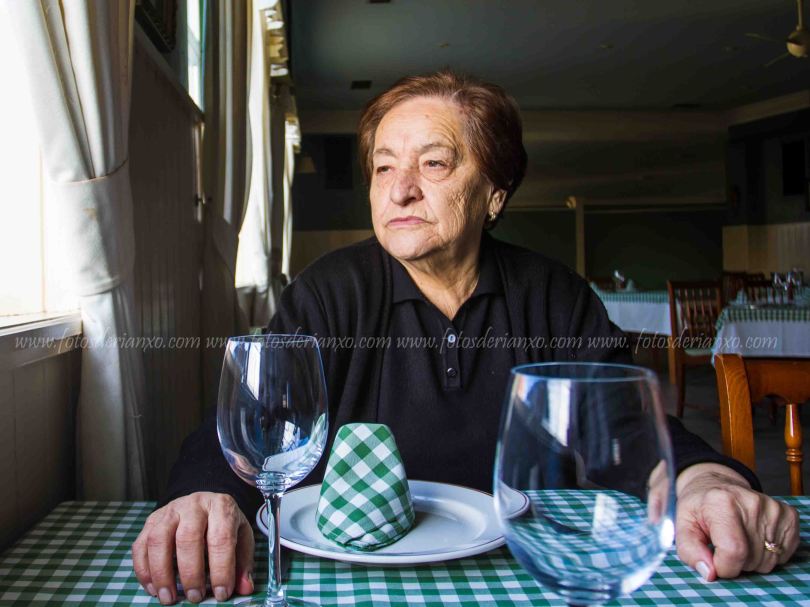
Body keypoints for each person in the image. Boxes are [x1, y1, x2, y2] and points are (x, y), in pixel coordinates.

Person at [132, 71, 800, 605]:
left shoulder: (554, 296)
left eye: (434, 163)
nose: (400, 190)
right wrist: (204, 495)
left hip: (526, 576)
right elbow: (256, 424)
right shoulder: (331, 291)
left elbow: (631, 433)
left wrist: (708, 481)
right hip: (354, 578)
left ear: (495, 195)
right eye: (384, 168)